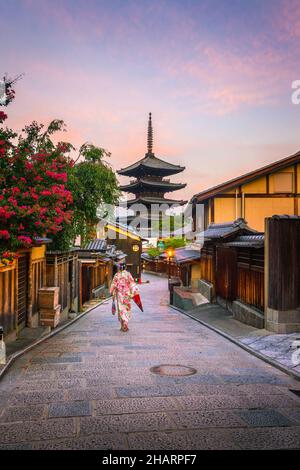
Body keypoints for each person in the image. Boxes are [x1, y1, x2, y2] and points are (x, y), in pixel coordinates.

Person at [110, 263, 139, 332]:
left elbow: (113, 285)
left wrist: (112, 293)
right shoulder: (128, 274)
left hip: (120, 295)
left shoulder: (117, 275)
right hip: (127, 294)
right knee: (127, 309)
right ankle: (125, 323)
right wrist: (134, 293)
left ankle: (123, 325)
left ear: (119, 268)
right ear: (125, 267)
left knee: (121, 309)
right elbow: (132, 284)